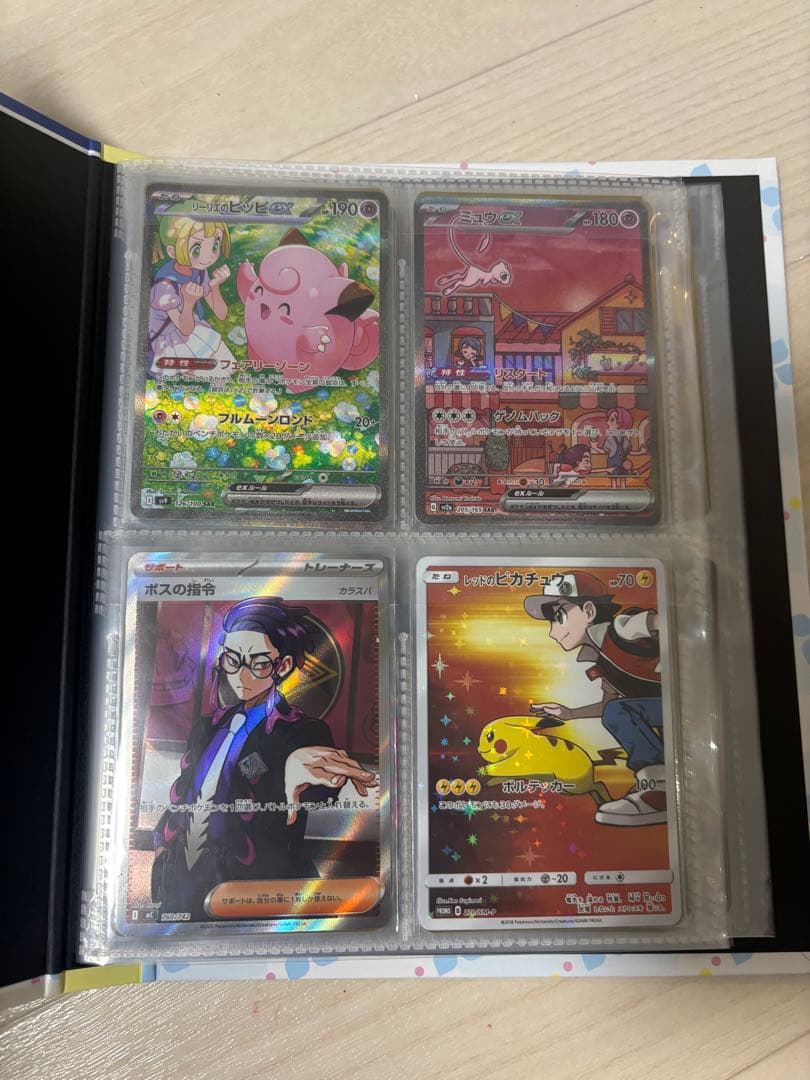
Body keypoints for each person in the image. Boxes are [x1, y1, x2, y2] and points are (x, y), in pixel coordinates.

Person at [151, 596, 376, 919]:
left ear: (282, 666)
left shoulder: (300, 732)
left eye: (258, 664)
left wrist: (294, 774)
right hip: (186, 886)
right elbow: (186, 791)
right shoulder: (206, 728)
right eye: (232, 660)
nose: (242, 675)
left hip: (257, 894)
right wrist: (161, 841)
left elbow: (317, 786)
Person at [523, 571, 666, 826]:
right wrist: (569, 714)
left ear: (588, 611)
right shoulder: (603, 662)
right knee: (617, 710)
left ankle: (658, 788)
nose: (553, 632)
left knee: (618, 712)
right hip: (667, 711)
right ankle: (659, 790)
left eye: (558, 617)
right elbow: (608, 706)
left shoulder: (621, 629)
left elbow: (661, 622)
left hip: (681, 702)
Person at [148, 215, 236, 376]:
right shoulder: (164, 286)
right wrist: (189, 303)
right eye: (196, 249)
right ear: (172, 252)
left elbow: (221, 314)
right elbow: (184, 330)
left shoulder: (200, 270)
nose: (208, 257)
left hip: (192, 324)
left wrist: (215, 287)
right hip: (170, 337)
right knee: (220, 376)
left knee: (231, 368)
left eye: (215, 245)